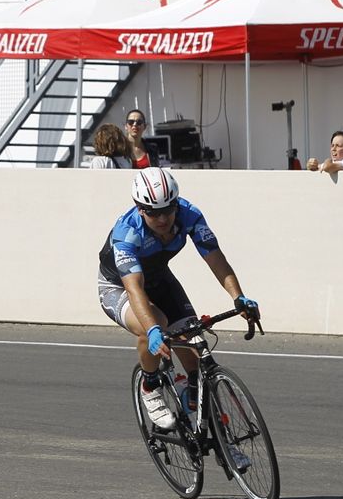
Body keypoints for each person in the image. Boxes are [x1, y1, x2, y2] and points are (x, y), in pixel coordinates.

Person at [97, 168, 259, 459]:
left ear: (176, 203)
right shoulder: (127, 233)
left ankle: (220, 438)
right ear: (139, 208)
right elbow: (135, 290)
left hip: (160, 279)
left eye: (167, 210)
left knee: (196, 348)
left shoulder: (190, 215)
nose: (162, 218)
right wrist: (154, 330)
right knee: (155, 324)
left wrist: (239, 298)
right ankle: (150, 384)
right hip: (118, 287)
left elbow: (216, 259)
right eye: (152, 212)